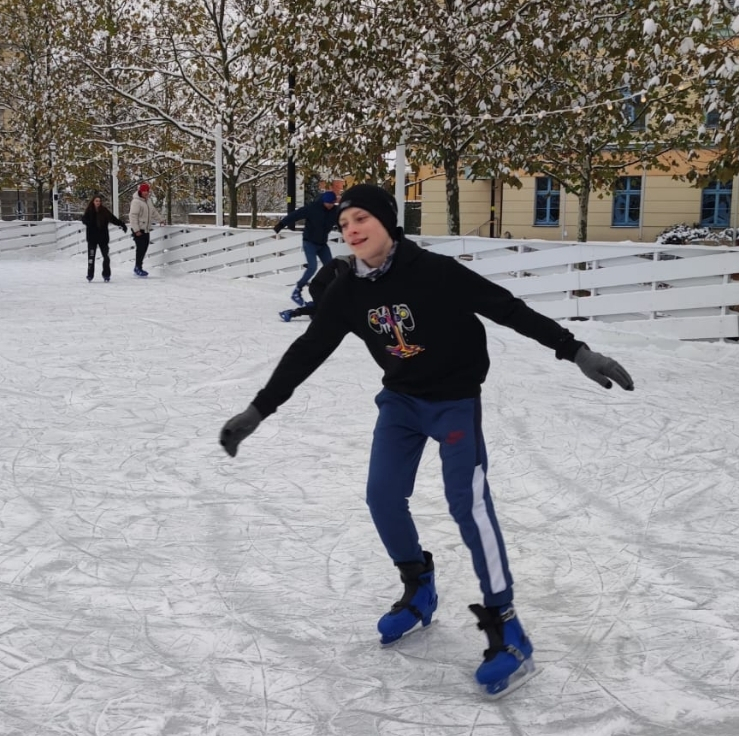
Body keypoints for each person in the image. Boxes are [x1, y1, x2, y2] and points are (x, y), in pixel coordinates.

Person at [220, 184, 634, 696]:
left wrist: (575, 351)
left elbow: (507, 309)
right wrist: (259, 409)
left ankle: (508, 626)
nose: (351, 229)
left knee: (468, 504)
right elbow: (309, 350)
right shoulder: (347, 290)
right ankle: (419, 588)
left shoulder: (435, 272)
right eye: (344, 223)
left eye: (361, 218)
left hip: (454, 402)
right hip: (401, 403)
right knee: (382, 496)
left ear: (387, 221)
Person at [273, 191, 340, 306]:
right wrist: (281, 224)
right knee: (312, 267)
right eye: (328, 203)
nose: (330, 205)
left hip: (322, 244)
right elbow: (296, 214)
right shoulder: (313, 208)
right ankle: (297, 290)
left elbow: (342, 222)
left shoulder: (334, 212)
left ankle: (331, 293)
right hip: (309, 242)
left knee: (331, 268)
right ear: (323, 201)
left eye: (332, 203)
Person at [278, 255, 350, 322]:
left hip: (318, 287)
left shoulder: (335, 264)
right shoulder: (342, 262)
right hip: (319, 288)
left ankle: (312, 307)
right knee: (321, 309)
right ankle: (291, 313)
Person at [81, 194, 127, 282]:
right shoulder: (89, 211)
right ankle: (90, 275)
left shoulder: (104, 211)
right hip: (92, 238)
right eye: (96, 201)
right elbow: (84, 219)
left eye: (99, 201)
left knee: (106, 257)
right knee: (91, 257)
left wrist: (122, 224)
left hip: (103, 238)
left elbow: (113, 219)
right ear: (93, 202)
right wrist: (88, 223)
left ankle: (106, 274)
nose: (98, 202)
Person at [129, 182, 155, 278]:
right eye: (144, 191)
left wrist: (161, 219)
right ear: (140, 191)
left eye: (147, 191)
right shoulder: (136, 202)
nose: (146, 192)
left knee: (144, 248)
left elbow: (153, 212)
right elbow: (133, 216)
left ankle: (138, 266)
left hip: (146, 229)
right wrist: (136, 230)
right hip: (138, 230)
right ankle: (138, 267)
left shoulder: (148, 201)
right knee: (140, 249)